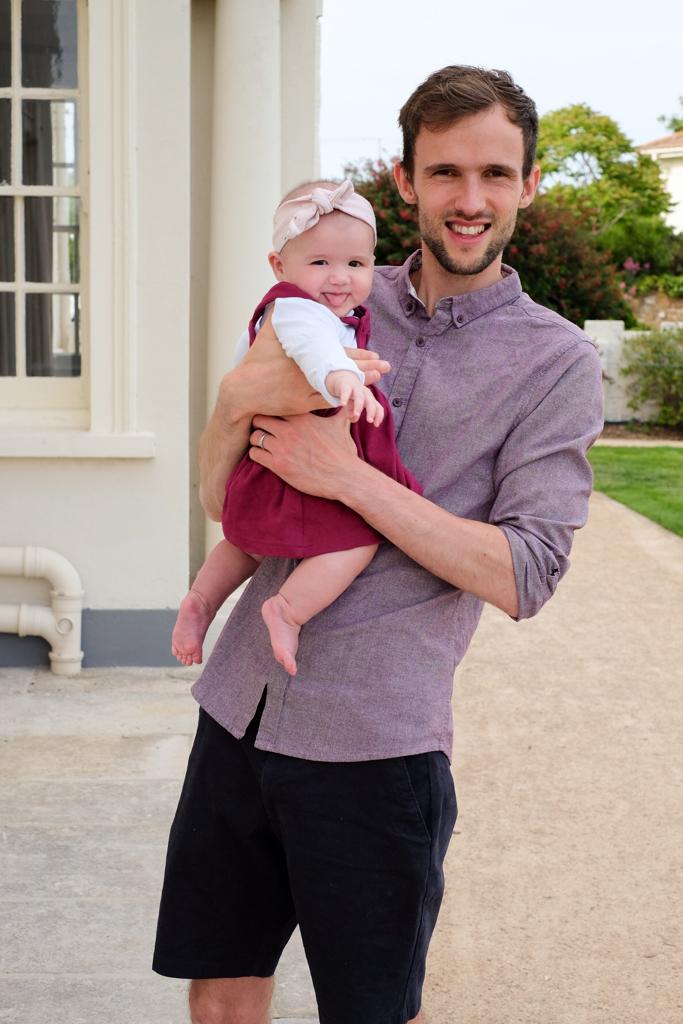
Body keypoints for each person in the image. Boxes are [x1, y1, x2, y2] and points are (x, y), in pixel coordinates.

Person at [153, 66, 604, 1024]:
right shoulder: (324, 291)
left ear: (529, 184)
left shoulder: (556, 362)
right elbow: (219, 497)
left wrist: (349, 480)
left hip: (376, 744)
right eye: (444, 173)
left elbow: (524, 577)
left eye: (493, 174)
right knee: (221, 983)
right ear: (405, 181)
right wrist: (233, 403)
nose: (469, 200)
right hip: (237, 707)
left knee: (369, 1010)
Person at [171, 180, 420, 675]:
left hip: (271, 458)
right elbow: (314, 349)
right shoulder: (296, 309)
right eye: (320, 262)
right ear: (279, 267)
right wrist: (344, 380)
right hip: (292, 454)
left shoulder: (322, 312)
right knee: (358, 540)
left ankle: (201, 598)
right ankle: (288, 609)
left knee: (246, 542)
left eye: (355, 265)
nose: (339, 278)